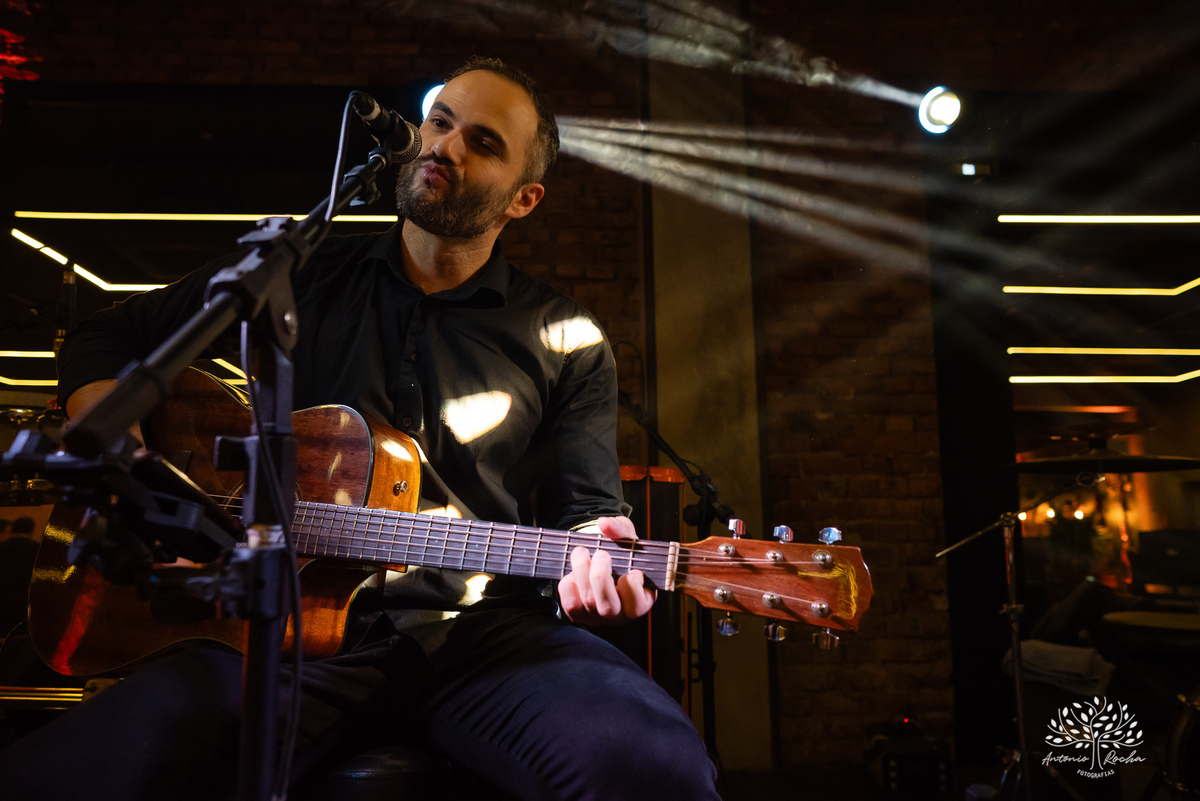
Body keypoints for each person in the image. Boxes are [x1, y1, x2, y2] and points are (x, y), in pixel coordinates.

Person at [0, 57, 719, 800]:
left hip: (484, 641)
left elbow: (585, 513)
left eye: (484, 142)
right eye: (440, 122)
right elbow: (109, 335)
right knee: (57, 775)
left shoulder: (564, 334)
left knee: (654, 767)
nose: (445, 146)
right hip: (275, 632)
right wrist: (140, 464)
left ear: (523, 199)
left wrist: (601, 558)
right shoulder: (300, 274)